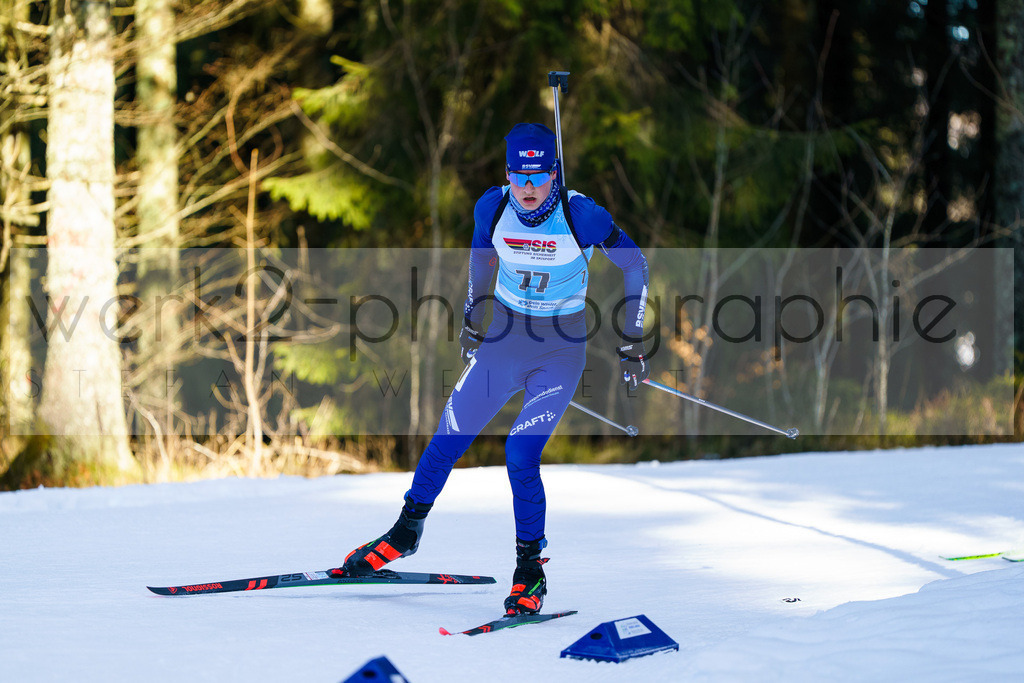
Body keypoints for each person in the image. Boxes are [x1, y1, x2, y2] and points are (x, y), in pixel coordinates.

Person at [332, 122, 650, 616]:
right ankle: (405, 531)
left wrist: (632, 338)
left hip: (559, 351)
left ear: (554, 173)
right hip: (504, 340)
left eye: (538, 177)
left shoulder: (580, 215)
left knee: (519, 451)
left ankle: (530, 569)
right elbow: (481, 259)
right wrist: (472, 317)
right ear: (507, 172)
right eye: (518, 175)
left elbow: (636, 265)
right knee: (448, 435)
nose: (526, 188)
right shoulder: (492, 207)